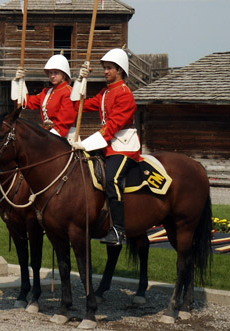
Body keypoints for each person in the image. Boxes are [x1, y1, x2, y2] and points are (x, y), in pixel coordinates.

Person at [71, 48, 141, 246]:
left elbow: (111, 128)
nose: (105, 71)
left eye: (109, 68)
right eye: (105, 68)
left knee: (113, 178)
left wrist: (84, 144)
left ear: (120, 70)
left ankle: (119, 230)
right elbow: (77, 105)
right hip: (107, 144)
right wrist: (80, 80)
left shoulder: (125, 94)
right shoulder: (105, 92)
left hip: (123, 146)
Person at [11, 54, 77, 140]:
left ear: (64, 74)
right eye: (50, 73)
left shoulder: (69, 92)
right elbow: (26, 103)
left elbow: (64, 123)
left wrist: (45, 138)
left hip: (64, 137)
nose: (52, 76)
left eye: (56, 72)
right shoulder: (46, 92)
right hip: (48, 134)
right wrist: (17, 82)